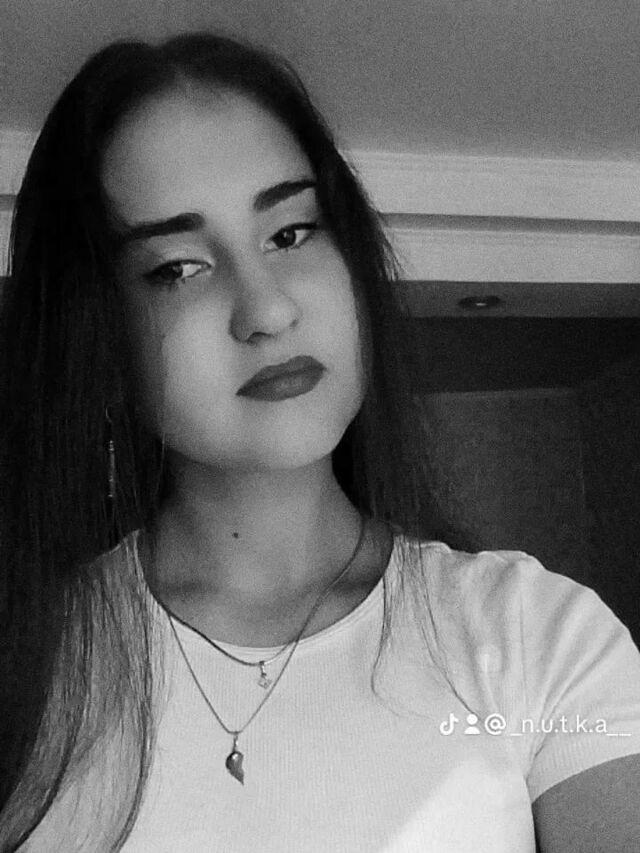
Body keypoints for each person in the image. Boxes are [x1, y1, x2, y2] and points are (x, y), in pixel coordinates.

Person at [0, 31, 639, 853]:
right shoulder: (30, 670)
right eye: (177, 269)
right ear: (96, 332)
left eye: (291, 233)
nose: (267, 308)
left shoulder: (538, 637)